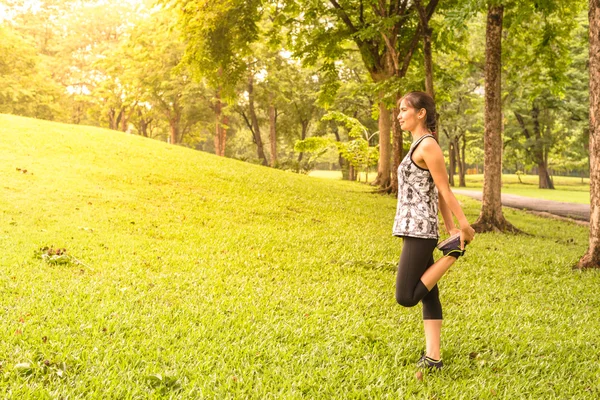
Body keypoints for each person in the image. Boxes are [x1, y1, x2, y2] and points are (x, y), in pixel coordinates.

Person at [392, 91, 475, 370]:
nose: (400, 115)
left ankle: (453, 254)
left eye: (404, 110)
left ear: (421, 113)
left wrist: (462, 226)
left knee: (405, 296)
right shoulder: (419, 144)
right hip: (414, 226)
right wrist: (450, 226)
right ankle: (433, 358)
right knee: (430, 295)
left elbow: (445, 190)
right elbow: (434, 191)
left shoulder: (428, 145)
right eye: (399, 110)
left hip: (420, 229)